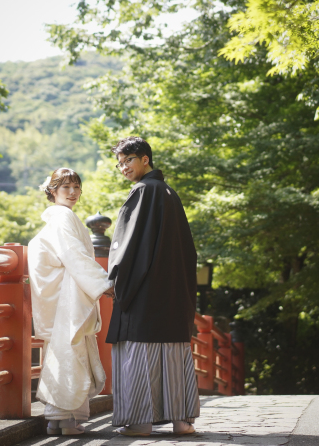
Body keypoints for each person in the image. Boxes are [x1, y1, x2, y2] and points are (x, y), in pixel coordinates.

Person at [106, 137, 200, 436]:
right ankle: (182, 421)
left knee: (139, 352)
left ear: (145, 158)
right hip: (173, 293)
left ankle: (139, 422)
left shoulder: (143, 191)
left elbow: (129, 244)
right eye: (120, 163)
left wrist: (115, 281)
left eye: (128, 160)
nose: (124, 168)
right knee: (173, 355)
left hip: (146, 293)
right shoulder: (168, 192)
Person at [28, 167, 114, 435]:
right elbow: (74, 255)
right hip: (67, 295)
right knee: (69, 350)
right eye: (66, 187)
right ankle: (64, 421)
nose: (74, 192)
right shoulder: (63, 217)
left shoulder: (61, 217)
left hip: (65, 292)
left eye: (77, 187)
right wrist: (103, 284)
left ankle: (60, 419)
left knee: (64, 351)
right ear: (52, 191)